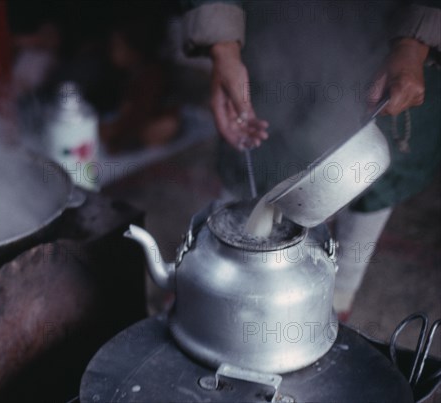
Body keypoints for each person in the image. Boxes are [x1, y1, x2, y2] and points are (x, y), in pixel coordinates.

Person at [181, 0, 441, 319]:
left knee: (371, 171)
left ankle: (337, 297)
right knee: (261, 133)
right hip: (281, 23)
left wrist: (415, 40)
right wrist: (223, 47)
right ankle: (213, 285)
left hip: (386, 35)